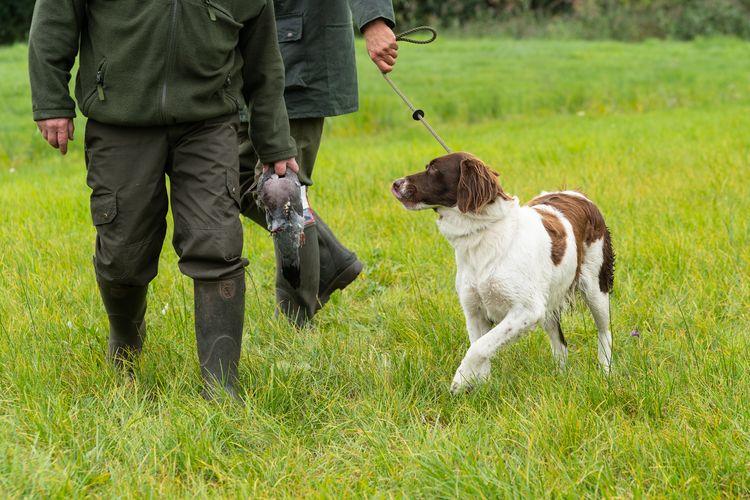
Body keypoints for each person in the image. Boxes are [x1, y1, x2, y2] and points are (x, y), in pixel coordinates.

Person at [28, 0, 298, 400]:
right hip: (120, 120)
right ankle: (125, 345)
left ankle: (221, 387)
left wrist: (275, 142)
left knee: (218, 243)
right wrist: (52, 100)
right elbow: (54, 18)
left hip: (208, 122)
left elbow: (264, 62)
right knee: (123, 253)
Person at [239, 1, 398, 327]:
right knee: (237, 178)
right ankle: (330, 259)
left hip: (299, 51)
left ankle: (295, 318)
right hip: (247, 58)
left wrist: (374, 19)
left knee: (281, 186)